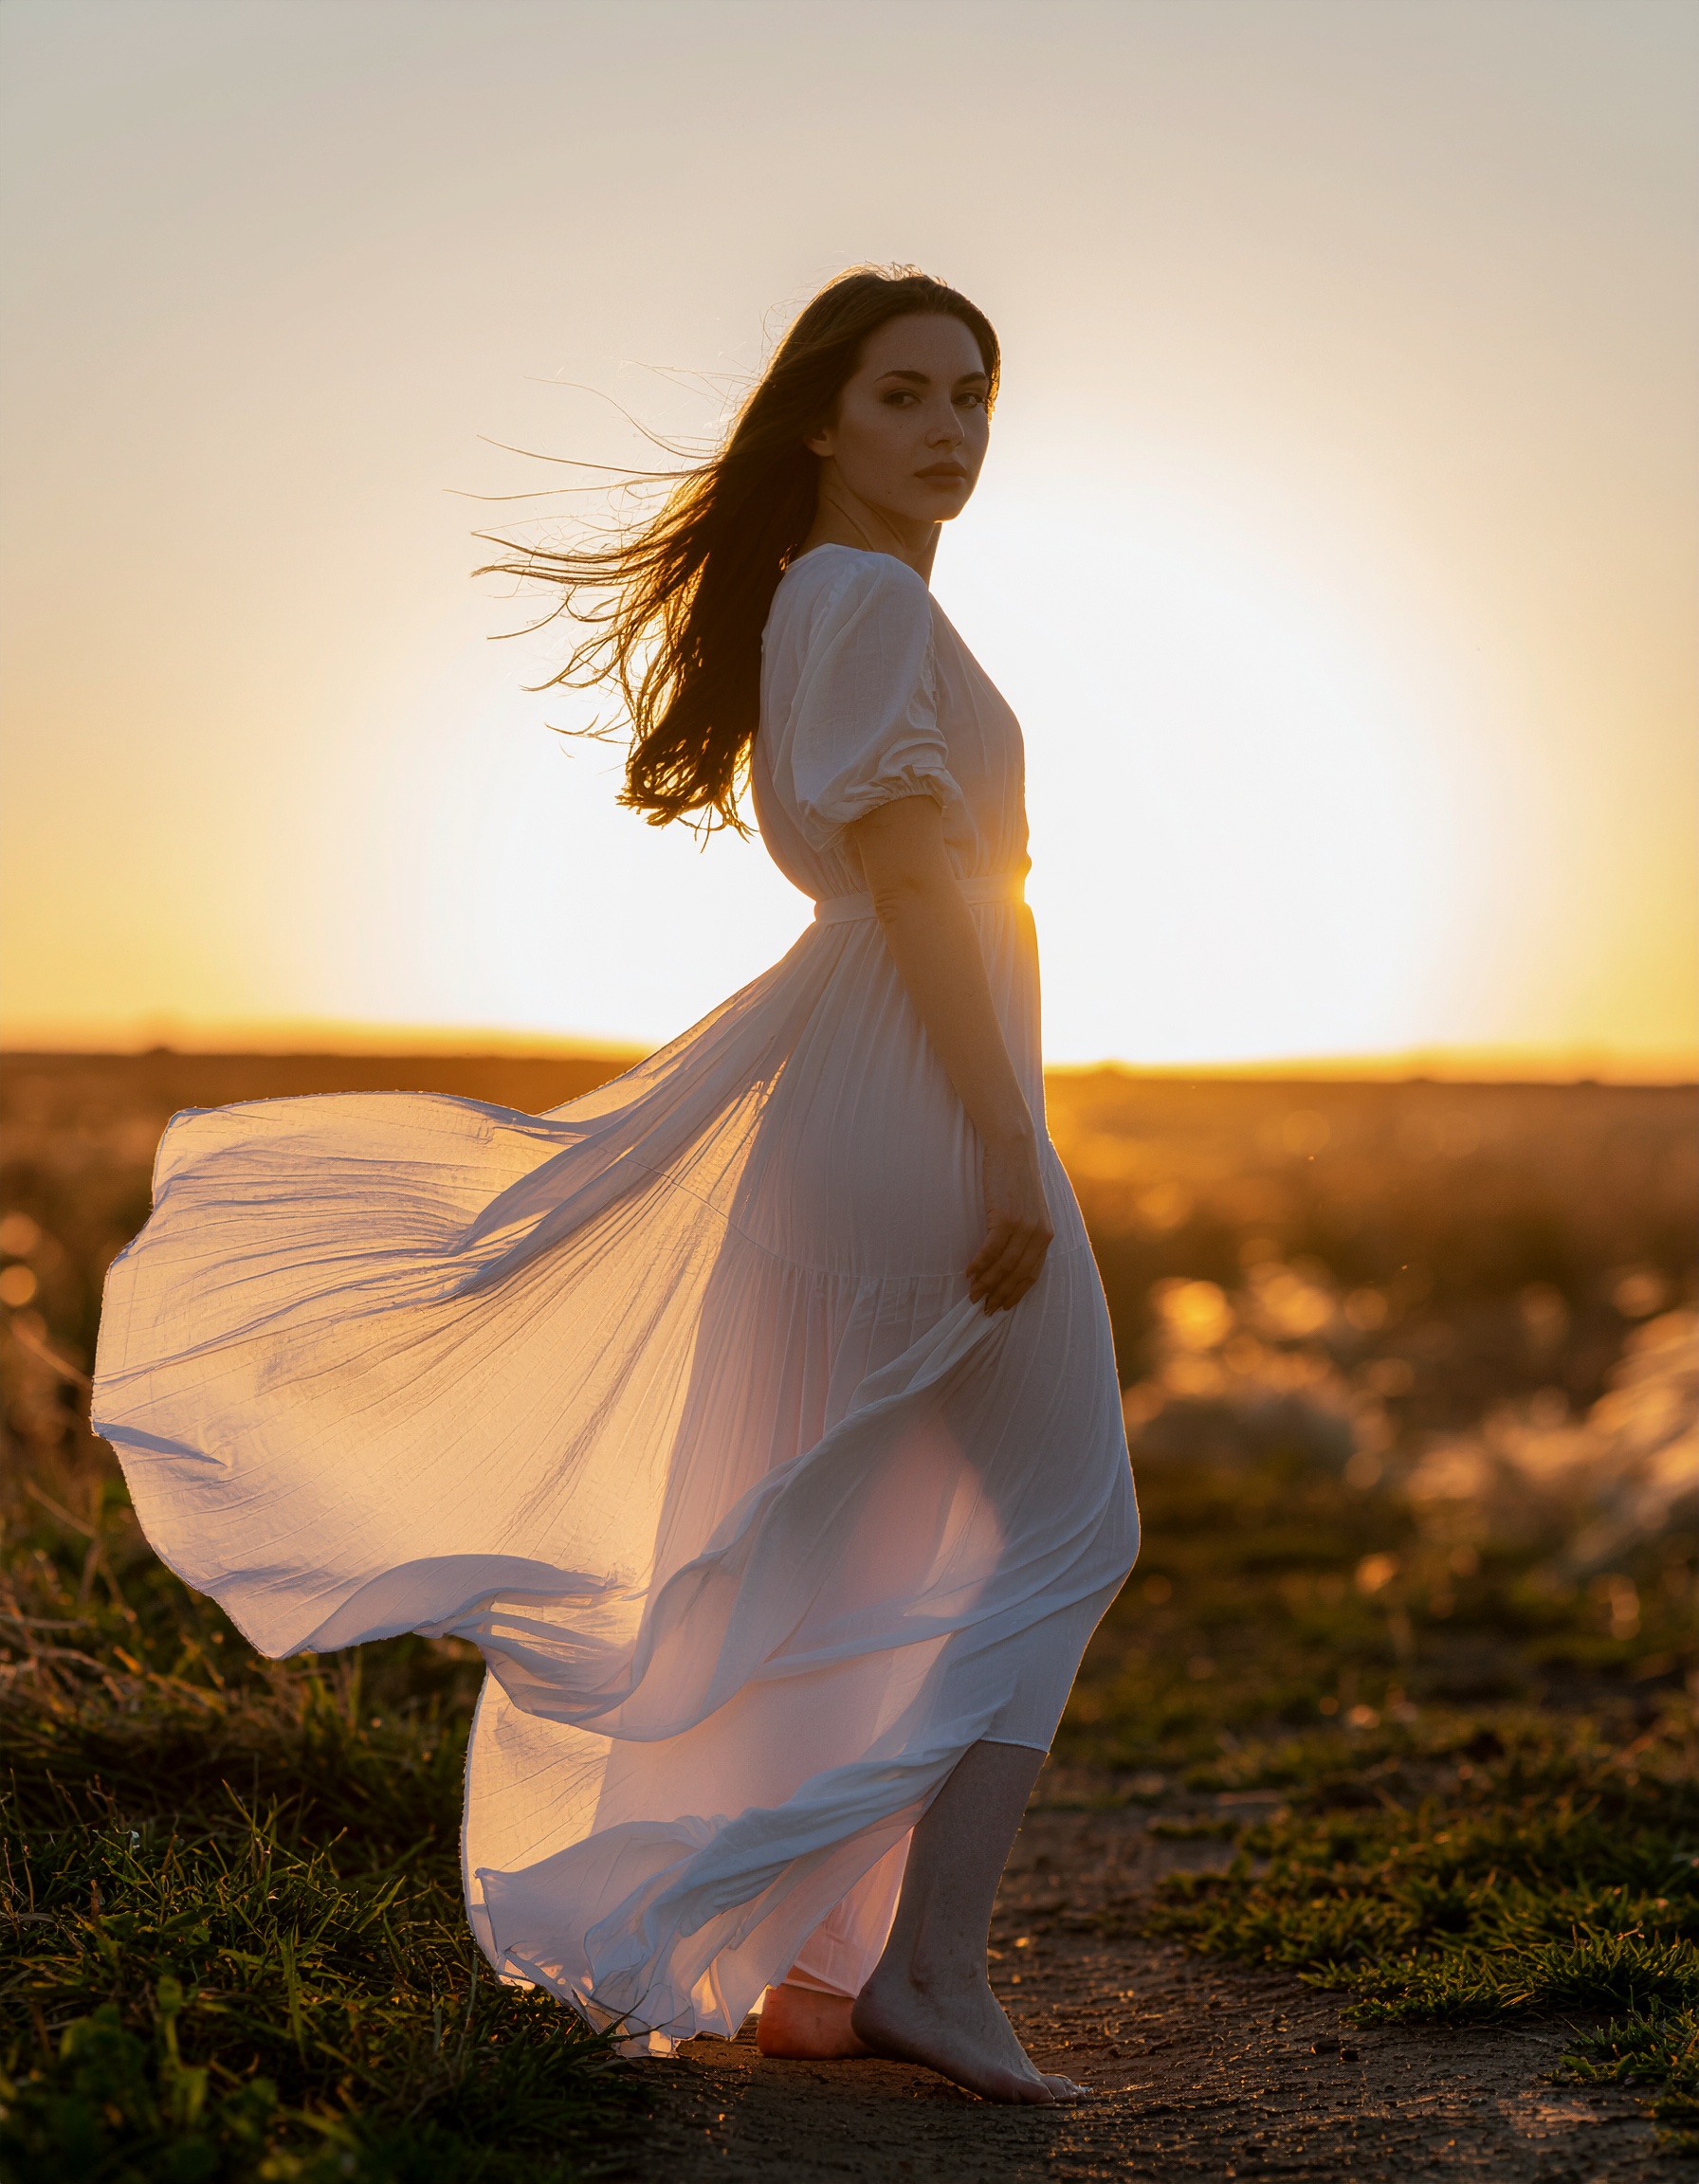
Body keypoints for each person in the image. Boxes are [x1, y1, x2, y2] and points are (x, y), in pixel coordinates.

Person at [93, 265, 1140, 2106]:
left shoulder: (826, 601)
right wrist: (997, 1138)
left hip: (857, 1103)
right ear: (819, 418)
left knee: (856, 1528)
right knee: (1064, 1526)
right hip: (911, 1103)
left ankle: (815, 1965)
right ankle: (925, 1970)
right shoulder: (870, 604)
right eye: (905, 394)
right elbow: (914, 876)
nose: (951, 431)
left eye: (973, 395)